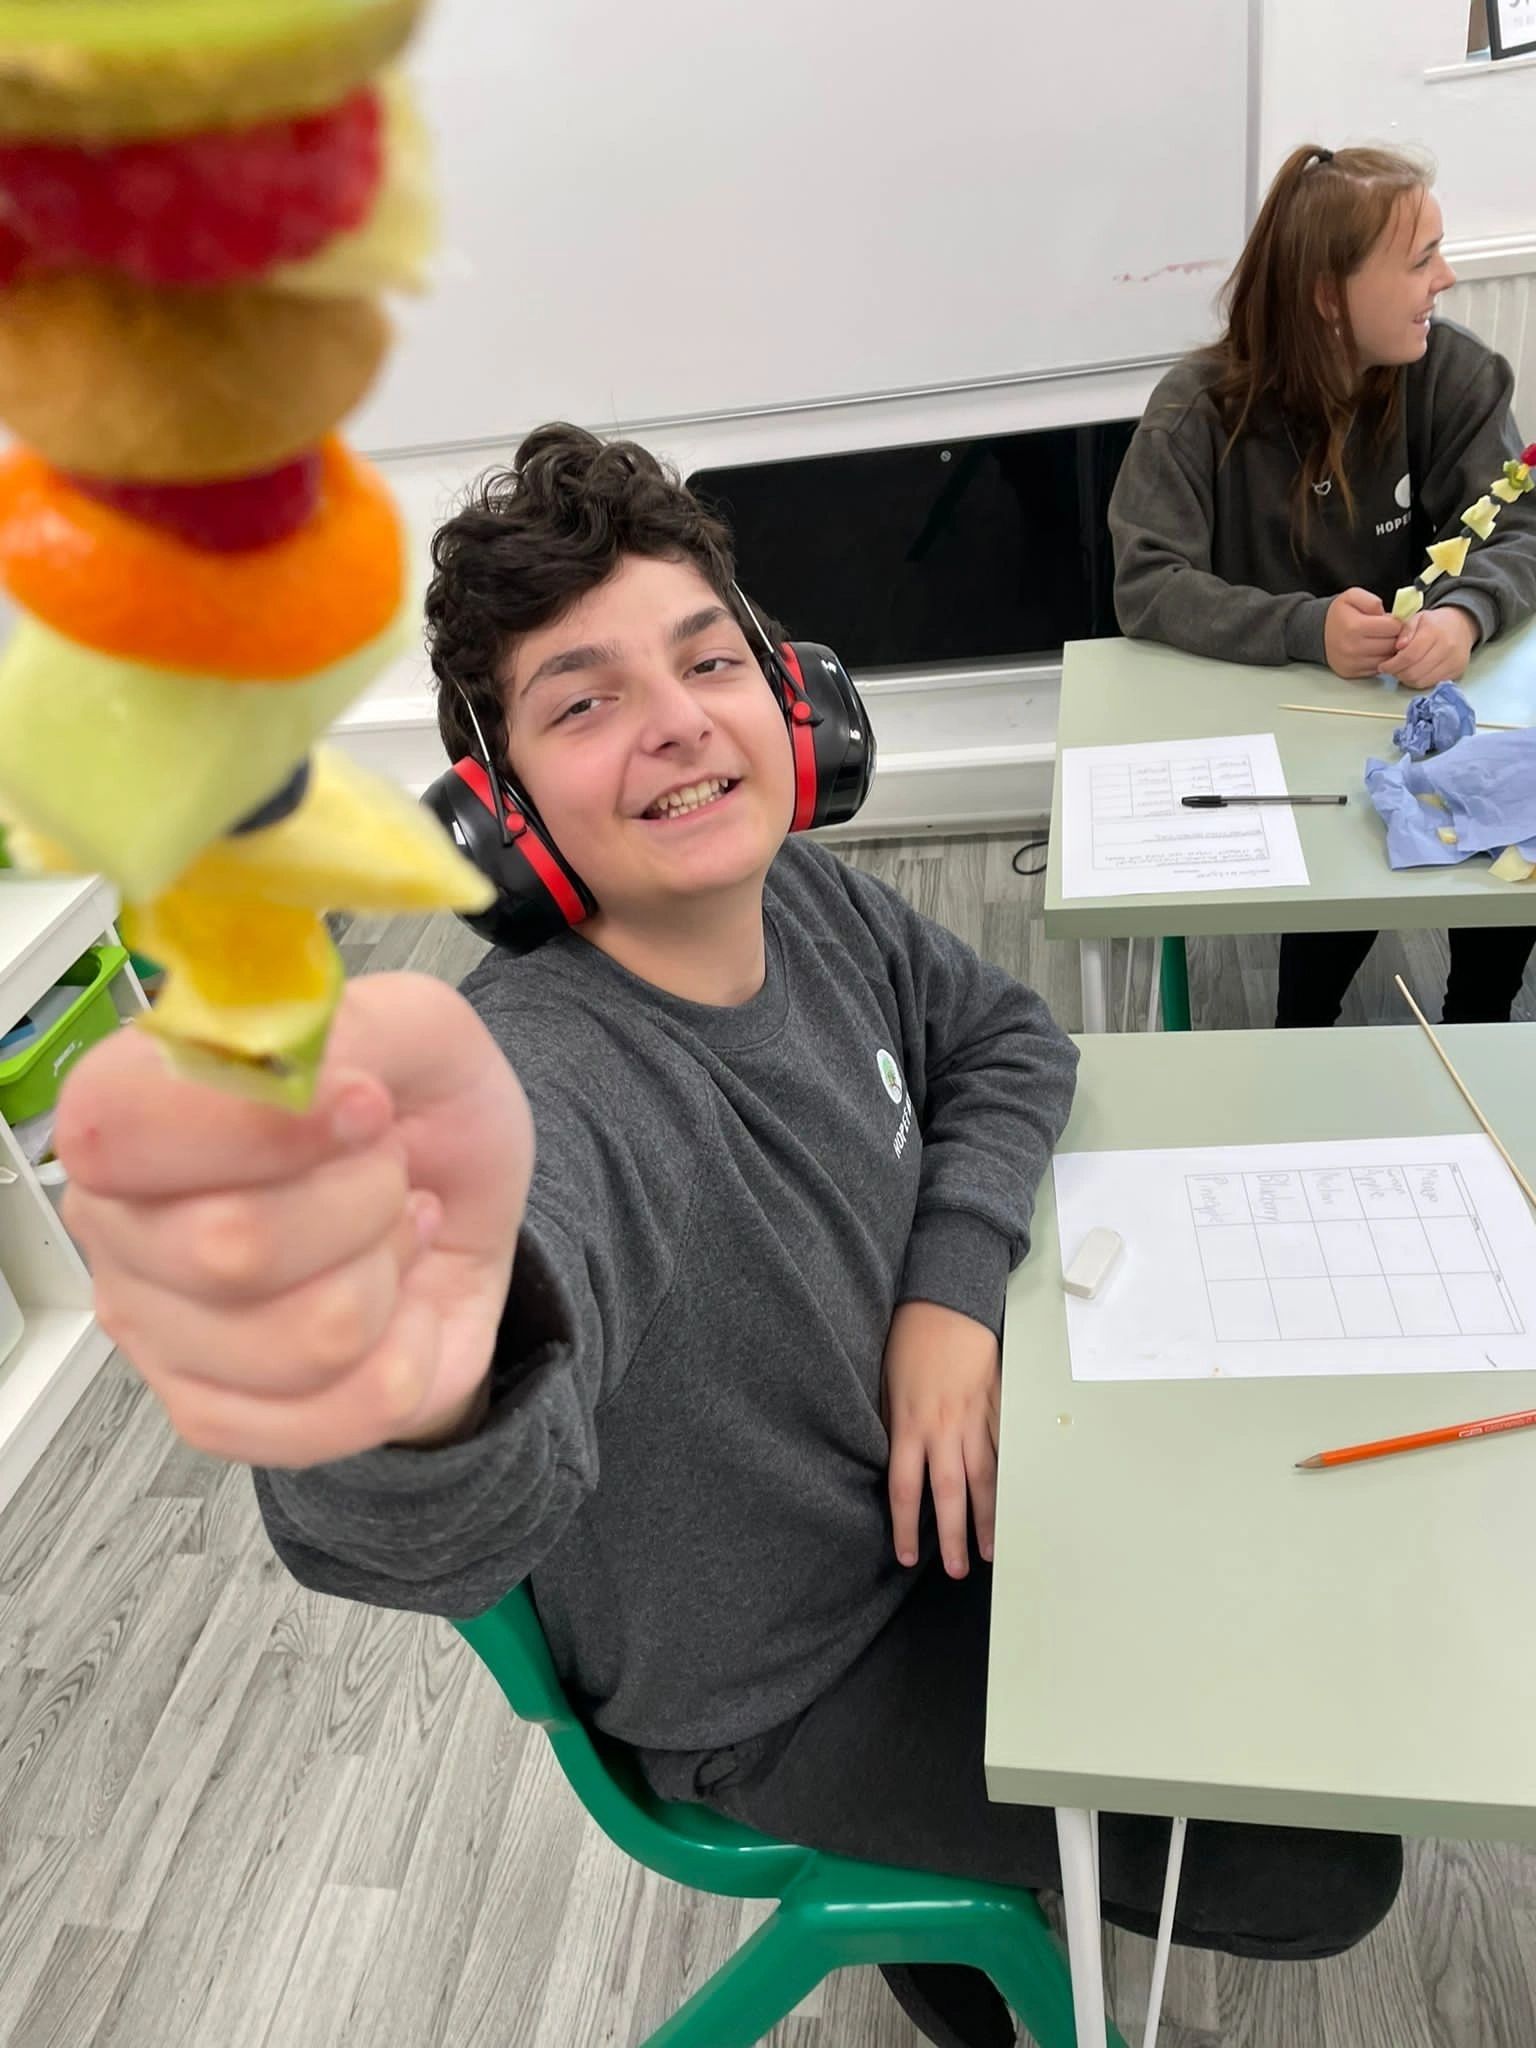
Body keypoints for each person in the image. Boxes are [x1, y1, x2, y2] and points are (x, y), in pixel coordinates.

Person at [57, 426, 1402, 2048]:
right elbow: (426, 1502)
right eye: (583, 702)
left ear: (792, 696)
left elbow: (1005, 1040)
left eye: (707, 660)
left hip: (932, 1494)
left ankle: (958, 1897)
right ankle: (950, 1924)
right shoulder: (557, 1083)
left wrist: (949, 1290)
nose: (679, 719)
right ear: (501, 819)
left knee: (1319, 1613)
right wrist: (404, 1371)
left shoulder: (814, 902)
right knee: (1324, 1860)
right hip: (795, 1676)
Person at [1110, 143, 1536, 1029]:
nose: (1447, 278)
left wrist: (1466, 613)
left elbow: (1519, 528)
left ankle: (1479, 1018)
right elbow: (1148, 583)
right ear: (1328, 296)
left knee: (1508, 811)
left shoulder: (1454, 378)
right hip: (1279, 723)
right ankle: (1303, 1021)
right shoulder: (1197, 411)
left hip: (1417, 698)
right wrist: (1307, 629)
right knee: (1337, 877)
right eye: (1421, 259)